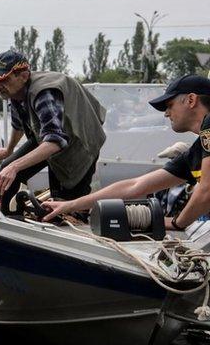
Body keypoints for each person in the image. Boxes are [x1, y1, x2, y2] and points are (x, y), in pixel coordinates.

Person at [43, 74, 210, 230]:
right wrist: (69, 205)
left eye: (169, 105)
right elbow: (135, 186)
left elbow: (206, 189)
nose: (166, 114)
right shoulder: (196, 153)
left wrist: (178, 223)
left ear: (191, 100)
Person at [0, 50, 107, 214]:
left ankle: (71, 223)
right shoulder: (13, 93)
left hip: (78, 141)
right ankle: (8, 216)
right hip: (48, 137)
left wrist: (15, 166)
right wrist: (9, 151)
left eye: (4, 79)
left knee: (66, 203)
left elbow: (55, 142)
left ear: (24, 76)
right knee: (8, 166)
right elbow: (18, 124)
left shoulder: (44, 93)